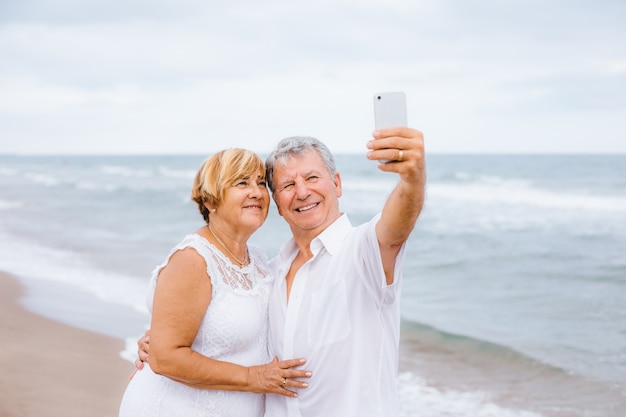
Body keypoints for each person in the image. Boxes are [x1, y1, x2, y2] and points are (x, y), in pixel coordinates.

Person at [136, 127, 426, 416]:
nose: (302, 192)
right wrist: (162, 342)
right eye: (288, 185)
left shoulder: (364, 252)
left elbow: (396, 228)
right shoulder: (269, 271)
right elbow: (224, 324)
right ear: (277, 204)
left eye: (312, 178)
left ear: (336, 183)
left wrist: (412, 178)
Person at [119, 149, 311, 417]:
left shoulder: (256, 258)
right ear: (211, 200)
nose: (256, 192)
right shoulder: (193, 260)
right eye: (242, 182)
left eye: (260, 183)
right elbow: (165, 358)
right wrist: (252, 377)